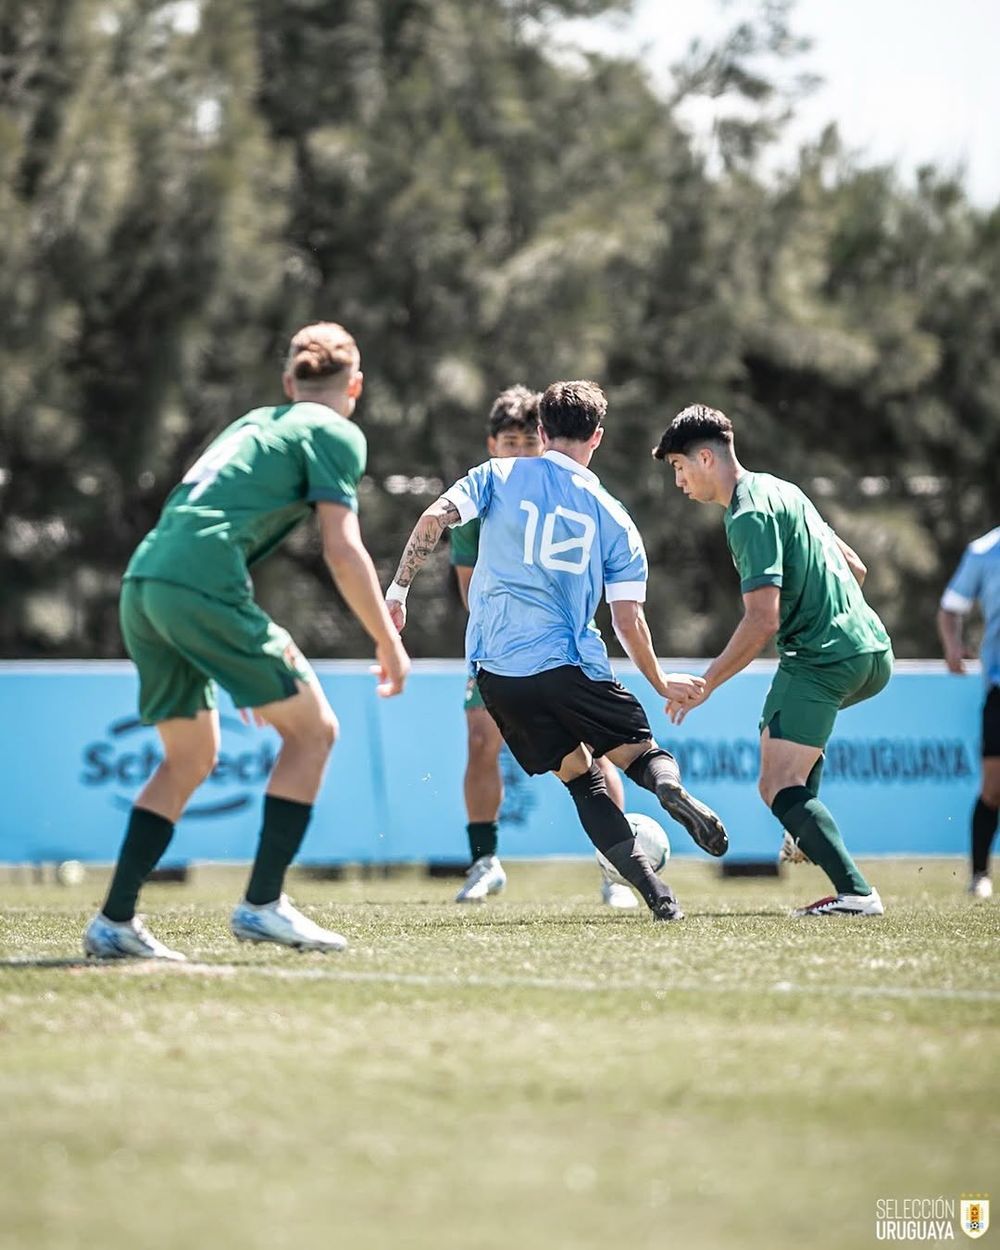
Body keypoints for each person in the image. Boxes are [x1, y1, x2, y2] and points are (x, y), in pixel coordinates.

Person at [83, 322, 410, 961]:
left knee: (191, 755)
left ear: (291, 383)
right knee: (315, 732)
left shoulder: (255, 422)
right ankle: (262, 905)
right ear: (356, 386)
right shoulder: (336, 430)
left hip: (147, 578)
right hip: (200, 584)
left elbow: (204, 518)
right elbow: (342, 551)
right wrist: (387, 642)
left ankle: (114, 922)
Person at [386, 380, 729, 923]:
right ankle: (669, 791)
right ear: (597, 436)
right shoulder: (615, 516)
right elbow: (627, 619)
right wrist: (662, 682)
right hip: (570, 666)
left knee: (580, 779)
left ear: (541, 432)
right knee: (637, 756)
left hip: (499, 673)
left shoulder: (497, 473)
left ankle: (657, 895)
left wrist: (399, 591)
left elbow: (432, 520)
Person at [653, 404, 893, 917]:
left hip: (822, 657)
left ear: (705, 457)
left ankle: (856, 893)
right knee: (775, 731)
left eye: (678, 466)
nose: (678, 480)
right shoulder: (783, 490)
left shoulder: (748, 514)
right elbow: (856, 566)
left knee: (776, 783)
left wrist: (708, 682)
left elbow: (763, 621)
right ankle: (803, 835)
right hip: (870, 647)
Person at [450, 386, 637, 909]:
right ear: (492, 443)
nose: (517, 452)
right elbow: (470, 592)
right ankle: (484, 861)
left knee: (596, 753)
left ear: (546, 443)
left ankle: (614, 874)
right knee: (480, 741)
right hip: (500, 649)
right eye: (508, 442)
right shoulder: (482, 497)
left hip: (565, 651)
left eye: (527, 443)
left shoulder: (573, 495)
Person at [937, 526, 1000, 899]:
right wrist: (953, 647)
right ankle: (979, 874)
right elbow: (950, 609)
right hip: (998, 685)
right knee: (993, 788)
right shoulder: (985, 551)